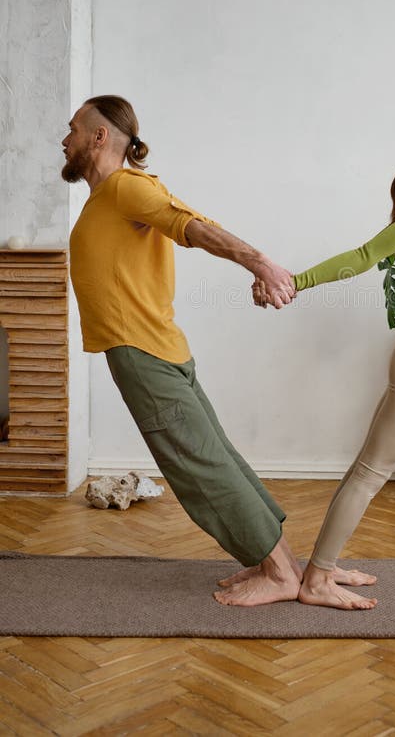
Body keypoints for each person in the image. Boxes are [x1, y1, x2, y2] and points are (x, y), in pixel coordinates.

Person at [62, 94, 304, 607]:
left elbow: (192, 227)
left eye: (74, 129)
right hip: (157, 348)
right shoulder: (112, 195)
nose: (66, 139)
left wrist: (259, 263)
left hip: (142, 353)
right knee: (216, 458)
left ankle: (281, 575)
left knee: (200, 468)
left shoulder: (126, 187)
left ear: (100, 136)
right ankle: (277, 562)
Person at [255, 117, 395, 609]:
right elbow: (364, 256)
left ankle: (325, 565)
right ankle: (316, 582)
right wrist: (293, 281)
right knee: (372, 472)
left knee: (367, 467)